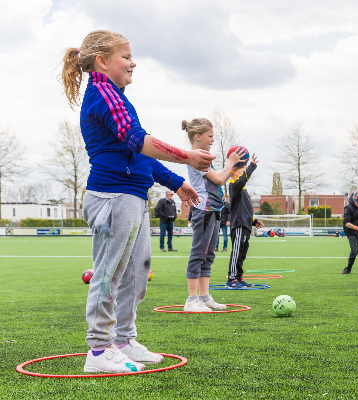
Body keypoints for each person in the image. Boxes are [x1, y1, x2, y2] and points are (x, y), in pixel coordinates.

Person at [60, 30, 214, 373]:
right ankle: (99, 351)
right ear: (102, 61)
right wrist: (187, 157)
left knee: (136, 273)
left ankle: (124, 339)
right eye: (126, 56)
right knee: (109, 273)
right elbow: (137, 139)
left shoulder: (115, 95)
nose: (133, 62)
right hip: (112, 197)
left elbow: (136, 151)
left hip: (131, 196)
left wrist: (176, 182)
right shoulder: (102, 92)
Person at [182, 118, 242, 312]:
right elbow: (218, 178)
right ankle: (192, 299)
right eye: (210, 136)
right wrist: (230, 163)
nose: (212, 140)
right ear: (198, 136)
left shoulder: (204, 156)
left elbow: (219, 180)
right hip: (204, 211)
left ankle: (204, 297)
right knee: (198, 253)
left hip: (214, 211)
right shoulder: (196, 157)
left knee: (208, 254)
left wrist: (234, 169)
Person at [226, 154, 264, 288]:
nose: (245, 172)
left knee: (242, 253)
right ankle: (231, 279)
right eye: (244, 169)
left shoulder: (242, 190)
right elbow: (242, 180)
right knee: (236, 252)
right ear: (235, 173)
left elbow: (245, 210)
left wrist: (254, 221)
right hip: (239, 224)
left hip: (246, 224)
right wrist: (252, 166)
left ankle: (238, 276)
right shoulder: (234, 185)